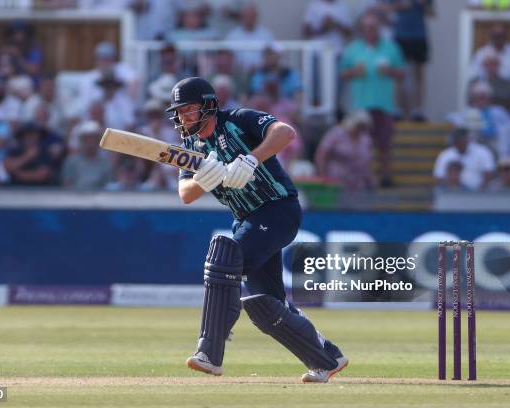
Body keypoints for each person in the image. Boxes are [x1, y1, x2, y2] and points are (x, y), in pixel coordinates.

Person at [166, 77, 347, 383]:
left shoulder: (238, 120)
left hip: (278, 209)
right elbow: (185, 193)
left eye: (189, 110)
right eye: (179, 113)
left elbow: (285, 132)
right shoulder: (192, 144)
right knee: (266, 304)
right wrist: (203, 180)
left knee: (225, 257)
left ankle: (209, 352)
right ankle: (327, 358)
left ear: (209, 106)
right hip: (246, 218)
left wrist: (250, 158)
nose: (183, 118)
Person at [340, 12, 405, 187]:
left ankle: (385, 177)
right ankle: (365, 178)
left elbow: (402, 72)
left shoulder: (391, 47)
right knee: (362, 146)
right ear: (362, 30)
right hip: (360, 105)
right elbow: (343, 73)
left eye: (374, 28)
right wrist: (355, 72)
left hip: (384, 104)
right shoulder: (353, 48)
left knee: (385, 144)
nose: (371, 31)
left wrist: (390, 71)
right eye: (368, 28)